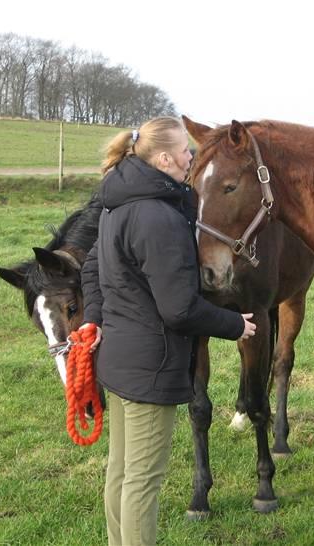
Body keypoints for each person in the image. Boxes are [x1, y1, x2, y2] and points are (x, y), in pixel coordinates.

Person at [80, 116, 256, 546]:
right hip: (149, 368)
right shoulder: (158, 217)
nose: (190, 157)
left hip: (119, 362)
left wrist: (95, 319)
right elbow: (179, 310)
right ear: (162, 159)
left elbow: (92, 267)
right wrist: (235, 324)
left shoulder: (116, 202)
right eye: (184, 151)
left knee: (121, 473)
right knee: (142, 482)